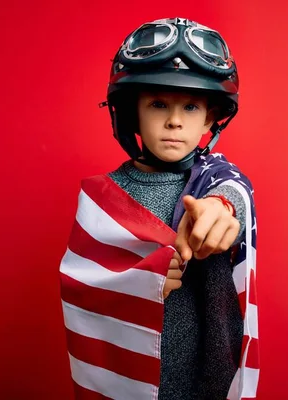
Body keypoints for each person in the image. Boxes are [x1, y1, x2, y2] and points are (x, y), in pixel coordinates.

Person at [59, 17, 259, 400]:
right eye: (158, 104)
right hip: (127, 378)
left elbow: (234, 197)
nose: (174, 120)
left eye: (190, 106)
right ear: (131, 113)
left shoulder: (214, 185)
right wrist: (136, 283)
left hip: (200, 379)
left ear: (210, 119)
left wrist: (223, 210)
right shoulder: (104, 197)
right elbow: (79, 286)